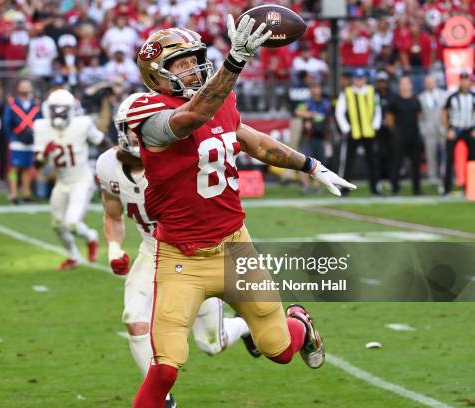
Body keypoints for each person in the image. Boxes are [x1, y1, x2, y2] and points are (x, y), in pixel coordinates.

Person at [127, 20, 356, 407]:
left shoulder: (220, 100)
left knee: (279, 349)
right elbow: (188, 121)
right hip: (182, 259)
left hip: (236, 249)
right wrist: (234, 62)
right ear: (157, 74)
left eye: (195, 60)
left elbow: (254, 143)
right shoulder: (147, 111)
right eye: (181, 64)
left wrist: (311, 166)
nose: (193, 69)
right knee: (164, 368)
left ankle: (300, 322)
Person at [97, 94, 260, 408]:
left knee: (212, 343)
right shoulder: (107, 164)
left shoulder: (181, 155)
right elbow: (112, 214)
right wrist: (114, 247)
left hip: (191, 251)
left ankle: (244, 327)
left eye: (144, 125)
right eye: (132, 126)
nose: (137, 132)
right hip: (152, 249)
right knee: (134, 318)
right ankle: (164, 400)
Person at [33, 89, 102, 269]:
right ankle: (73, 256)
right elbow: (37, 166)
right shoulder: (41, 127)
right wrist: (43, 155)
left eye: (62, 110)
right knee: (57, 224)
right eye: (55, 109)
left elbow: (101, 140)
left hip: (82, 180)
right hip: (62, 182)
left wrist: (117, 152)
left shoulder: (83, 124)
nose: (58, 114)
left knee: (71, 223)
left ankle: (91, 237)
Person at [335, 68, 382, 195]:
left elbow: (377, 111)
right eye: (357, 78)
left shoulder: (372, 92)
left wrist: (375, 126)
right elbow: (339, 112)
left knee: (372, 162)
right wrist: (346, 128)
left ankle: (375, 188)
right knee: (348, 162)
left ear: (365, 79)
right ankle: (344, 188)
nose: (359, 81)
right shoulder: (347, 92)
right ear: (353, 79)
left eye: (361, 78)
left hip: (369, 132)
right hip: (353, 132)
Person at [3, 79, 41, 204]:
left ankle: (26, 193)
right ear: (18, 88)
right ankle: (13, 194)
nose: (25, 88)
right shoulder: (13, 105)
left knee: (27, 169)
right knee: (14, 169)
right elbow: (7, 123)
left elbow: (39, 122)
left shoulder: (35, 106)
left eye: (27, 86)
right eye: (23, 86)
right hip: (16, 141)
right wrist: (11, 138)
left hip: (30, 142)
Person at [387, 76, 423, 195]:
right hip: (400, 137)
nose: (404, 86)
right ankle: (395, 188)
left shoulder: (416, 100)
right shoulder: (394, 101)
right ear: (399, 86)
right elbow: (389, 120)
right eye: (402, 84)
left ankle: (416, 189)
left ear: (410, 85)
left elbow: (419, 116)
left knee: (416, 164)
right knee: (397, 163)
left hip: (414, 136)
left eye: (406, 83)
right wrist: (397, 132)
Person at [441, 71, 475, 195]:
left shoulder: (473, 96)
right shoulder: (452, 96)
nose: (465, 82)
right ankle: (446, 187)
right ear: (460, 81)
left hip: (470, 129)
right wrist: (448, 129)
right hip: (455, 129)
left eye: (467, 80)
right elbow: (444, 112)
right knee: (449, 159)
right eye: (463, 80)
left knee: (472, 159)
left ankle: (470, 186)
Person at [295, 82, 332, 193]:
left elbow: (327, 117)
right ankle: (305, 186)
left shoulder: (325, 104)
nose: (315, 91)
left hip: (321, 136)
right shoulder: (306, 103)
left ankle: (317, 186)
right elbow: (298, 112)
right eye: (313, 88)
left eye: (317, 88)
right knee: (305, 162)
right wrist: (311, 114)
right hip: (308, 136)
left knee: (319, 163)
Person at [418, 75, 446, 183]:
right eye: (428, 82)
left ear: (436, 83)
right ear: (425, 84)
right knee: (430, 155)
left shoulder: (443, 94)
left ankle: (445, 175)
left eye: (432, 82)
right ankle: (432, 177)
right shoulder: (421, 97)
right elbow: (420, 116)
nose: (430, 84)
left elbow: (446, 112)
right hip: (429, 131)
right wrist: (423, 130)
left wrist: (446, 127)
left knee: (445, 154)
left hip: (442, 129)